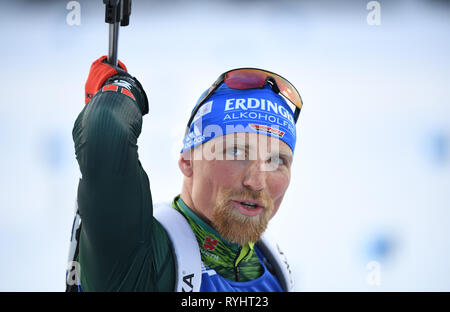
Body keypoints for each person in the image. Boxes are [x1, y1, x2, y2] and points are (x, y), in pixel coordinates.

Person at [66, 56, 303, 292]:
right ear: (188, 160)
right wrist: (118, 90)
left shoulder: (272, 267)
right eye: (236, 152)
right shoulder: (144, 260)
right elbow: (105, 132)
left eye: (276, 160)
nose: (257, 182)